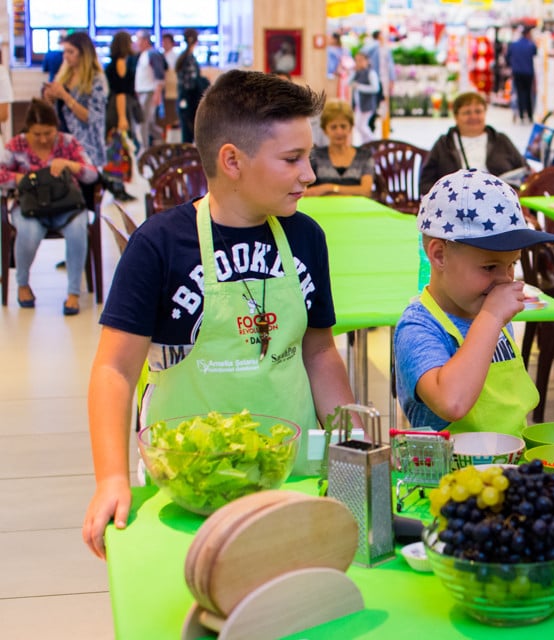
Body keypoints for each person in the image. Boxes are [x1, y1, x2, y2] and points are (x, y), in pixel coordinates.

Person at [82, 70, 361, 559]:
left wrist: (351, 446)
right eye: (292, 159)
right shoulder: (161, 245)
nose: (310, 175)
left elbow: (318, 352)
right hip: (187, 481)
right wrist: (110, 478)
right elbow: (113, 370)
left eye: (309, 156)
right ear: (231, 160)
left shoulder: (306, 237)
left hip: (288, 472)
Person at [394, 168, 554, 434]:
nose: (504, 280)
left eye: (512, 265)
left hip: (510, 463)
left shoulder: (484, 308)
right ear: (439, 256)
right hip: (449, 473)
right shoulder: (418, 327)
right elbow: (451, 403)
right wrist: (492, 318)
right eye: (489, 267)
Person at [1, 99, 98, 314]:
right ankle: (23, 285)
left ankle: (74, 292)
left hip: (68, 207)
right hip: (31, 209)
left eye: (48, 133)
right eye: (37, 134)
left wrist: (70, 165)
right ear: (28, 130)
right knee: (27, 232)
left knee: (77, 230)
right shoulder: (16, 145)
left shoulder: (68, 143)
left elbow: (92, 173)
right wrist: (19, 179)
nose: (43, 139)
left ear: (56, 128)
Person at [42, 31, 107, 212]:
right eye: (65, 52)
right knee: (66, 198)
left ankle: (89, 237)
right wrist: (50, 97)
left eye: (71, 52)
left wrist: (66, 96)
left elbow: (92, 117)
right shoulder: (64, 75)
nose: (66, 56)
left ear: (83, 53)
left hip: (87, 146)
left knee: (87, 200)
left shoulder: (96, 79)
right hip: (63, 145)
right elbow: (55, 112)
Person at [419, 92, 526, 194]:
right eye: (467, 113)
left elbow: (524, 170)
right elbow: (426, 182)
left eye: (478, 111)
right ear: (456, 117)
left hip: (499, 204)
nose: (473, 117)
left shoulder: (501, 140)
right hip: (455, 205)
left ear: (485, 113)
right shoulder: (444, 144)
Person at [305, 99, 374, 197]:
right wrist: (351, 191)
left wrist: (328, 188)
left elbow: (366, 191)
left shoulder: (364, 156)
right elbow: (307, 192)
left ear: (350, 128)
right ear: (325, 129)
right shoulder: (315, 156)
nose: (339, 132)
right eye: (333, 127)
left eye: (343, 126)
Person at [104, 31, 140, 151]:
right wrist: (122, 116)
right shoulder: (120, 63)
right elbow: (121, 91)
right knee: (124, 142)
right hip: (120, 105)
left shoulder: (116, 62)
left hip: (115, 103)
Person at [134, 30, 167, 149]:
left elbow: (159, 76)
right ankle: (160, 142)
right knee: (149, 123)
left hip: (149, 92)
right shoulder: (142, 55)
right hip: (142, 92)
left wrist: (157, 93)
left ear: (145, 40)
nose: (136, 43)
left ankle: (145, 148)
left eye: (138, 40)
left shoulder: (153, 54)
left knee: (144, 122)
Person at [175, 28, 207, 144]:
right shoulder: (190, 59)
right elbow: (192, 83)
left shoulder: (182, 57)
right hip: (190, 100)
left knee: (186, 132)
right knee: (191, 132)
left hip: (183, 99)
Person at [360, 30, 395, 137]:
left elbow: (390, 66)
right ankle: (372, 127)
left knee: (385, 105)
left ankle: (386, 131)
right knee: (373, 105)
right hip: (374, 80)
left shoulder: (386, 49)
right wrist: (376, 43)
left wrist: (392, 80)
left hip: (384, 81)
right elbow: (363, 53)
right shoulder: (371, 47)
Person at [506, 26, 537, 124]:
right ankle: (530, 115)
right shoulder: (531, 45)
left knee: (519, 93)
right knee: (528, 94)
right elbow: (535, 54)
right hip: (528, 72)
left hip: (517, 72)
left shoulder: (514, 45)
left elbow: (507, 57)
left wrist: (512, 65)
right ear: (528, 34)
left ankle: (521, 115)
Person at [349, 51, 379, 144]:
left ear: (367, 61)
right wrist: (353, 72)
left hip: (367, 104)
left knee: (362, 126)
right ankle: (365, 144)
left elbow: (375, 88)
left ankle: (374, 142)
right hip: (359, 105)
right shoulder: (357, 73)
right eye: (356, 60)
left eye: (361, 60)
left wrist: (359, 86)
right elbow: (348, 82)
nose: (358, 62)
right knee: (358, 126)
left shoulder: (371, 73)